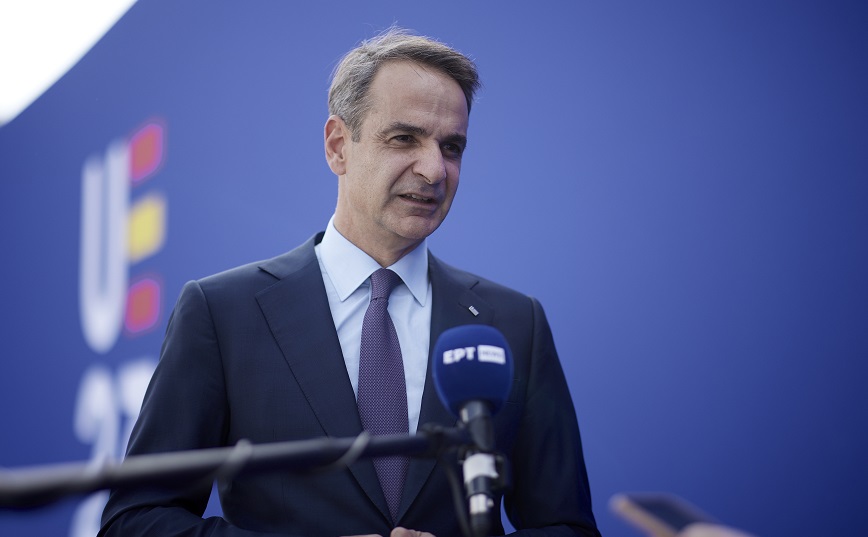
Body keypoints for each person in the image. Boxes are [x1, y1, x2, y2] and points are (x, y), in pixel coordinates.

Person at [100, 28, 600, 537]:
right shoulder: (224, 313)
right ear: (338, 146)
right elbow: (135, 521)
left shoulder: (514, 325)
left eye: (451, 147)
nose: (434, 170)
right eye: (404, 138)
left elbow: (569, 528)